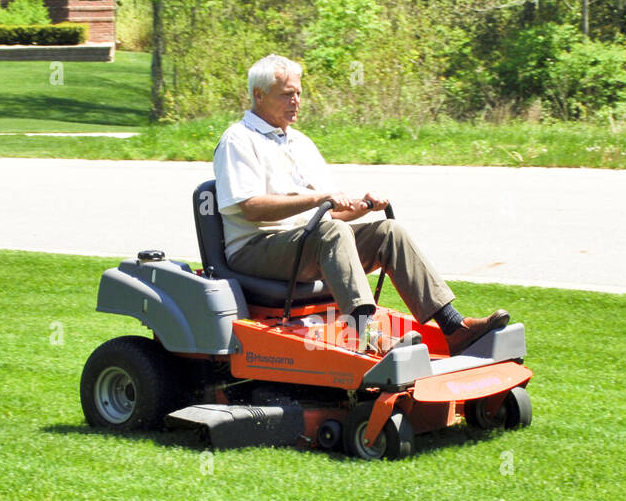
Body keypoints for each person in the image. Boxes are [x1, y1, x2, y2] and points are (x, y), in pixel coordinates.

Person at [212, 53, 510, 356]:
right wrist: (318, 199)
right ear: (259, 95)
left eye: (299, 93)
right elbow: (250, 206)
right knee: (334, 234)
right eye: (287, 94)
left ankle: (454, 328)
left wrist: (365, 205)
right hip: (256, 246)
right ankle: (366, 334)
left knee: (388, 232)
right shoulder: (239, 140)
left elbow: (331, 209)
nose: (296, 101)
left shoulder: (300, 142)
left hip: (306, 243)